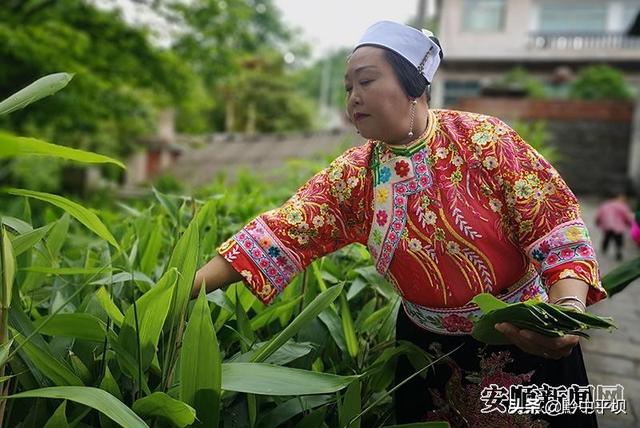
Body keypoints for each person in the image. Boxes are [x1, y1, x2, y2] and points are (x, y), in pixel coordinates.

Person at [192, 21, 608, 427]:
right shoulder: (355, 175)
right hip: (426, 354)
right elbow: (279, 234)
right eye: (348, 88)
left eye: (367, 81)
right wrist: (184, 291)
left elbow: (555, 227)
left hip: (524, 336)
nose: (353, 97)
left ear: (413, 85)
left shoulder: (486, 141)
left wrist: (565, 312)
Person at [594, 191, 634, 260]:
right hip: (618, 227)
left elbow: (599, 214)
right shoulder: (622, 206)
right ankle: (618, 251)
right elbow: (627, 216)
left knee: (607, 237)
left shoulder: (605, 205)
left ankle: (604, 249)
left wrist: (597, 222)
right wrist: (630, 224)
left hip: (607, 226)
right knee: (619, 240)